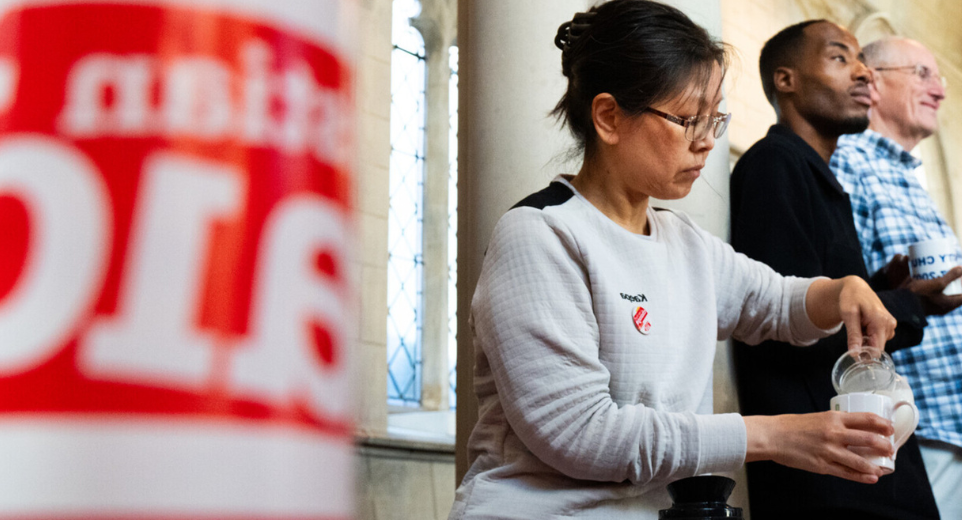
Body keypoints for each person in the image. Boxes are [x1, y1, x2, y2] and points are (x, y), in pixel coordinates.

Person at [449, 4, 899, 519]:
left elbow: (775, 301)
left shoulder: (684, 242)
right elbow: (581, 432)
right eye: (688, 119)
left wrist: (840, 291)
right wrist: (774, 436)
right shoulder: (542, 235)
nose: (706, 141)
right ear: (609, 117)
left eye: (714, 119)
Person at [729, 20, 951, 520]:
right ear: (785, 80)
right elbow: (786, 319)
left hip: (856, 462)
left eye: (863, 62)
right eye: (840, 58)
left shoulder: (814, 173)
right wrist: (912, 302)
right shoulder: (775, 165)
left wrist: (884, 287)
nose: (863, 73)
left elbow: (819, 293)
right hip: (826, 472)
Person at [832, 37, 962, 519]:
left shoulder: (904, 175)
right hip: (913, 426)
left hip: (948, 423)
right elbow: (839, 288)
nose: (939, 90)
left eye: (939, 77)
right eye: (922, 74)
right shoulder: (849, 160)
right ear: (874, 81)